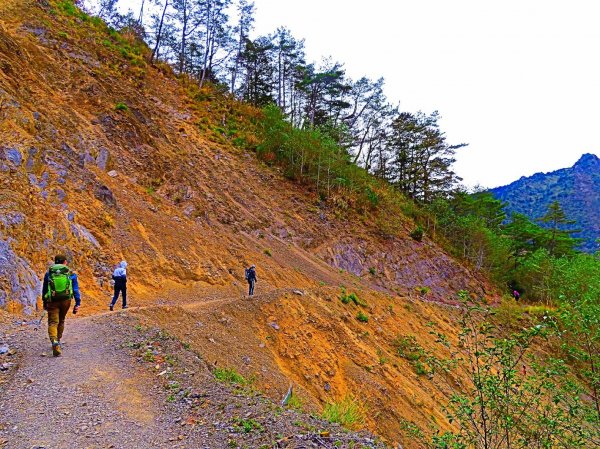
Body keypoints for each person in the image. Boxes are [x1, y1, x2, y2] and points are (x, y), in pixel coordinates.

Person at [41, 254, 81, 357]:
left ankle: (54, 342)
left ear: (55, 262)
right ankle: (58, 340)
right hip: (66, 300)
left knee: (53, 322)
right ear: (65, 262)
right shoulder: (70, 273)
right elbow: (75, 289)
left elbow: (45, 289)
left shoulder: (49, 273)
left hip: (52, 300)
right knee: (61, 319)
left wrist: (45, 302)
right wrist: (77, 302)